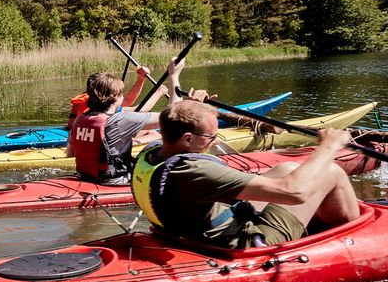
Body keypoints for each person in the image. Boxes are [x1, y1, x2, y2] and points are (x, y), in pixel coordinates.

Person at [131, 99, 361, 249]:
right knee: (331, 171)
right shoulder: (193, 170)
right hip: (240, 242)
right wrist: (329, 146)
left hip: (189, 227)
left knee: (287, 169)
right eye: (211, 137)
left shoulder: (151, 154)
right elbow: (295, 193)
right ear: (188, 139)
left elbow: (174, 114)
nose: (214, 141)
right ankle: (358, 235)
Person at [66, 62, 182, 185]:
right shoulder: (121, 120)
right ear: (115, 95)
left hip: (85, 177)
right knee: (157, 148)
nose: (123, 98)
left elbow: (71, 153)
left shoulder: (79, 120)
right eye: (122, 95)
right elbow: (173, 118)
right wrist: (174, 77)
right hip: (116, 181)